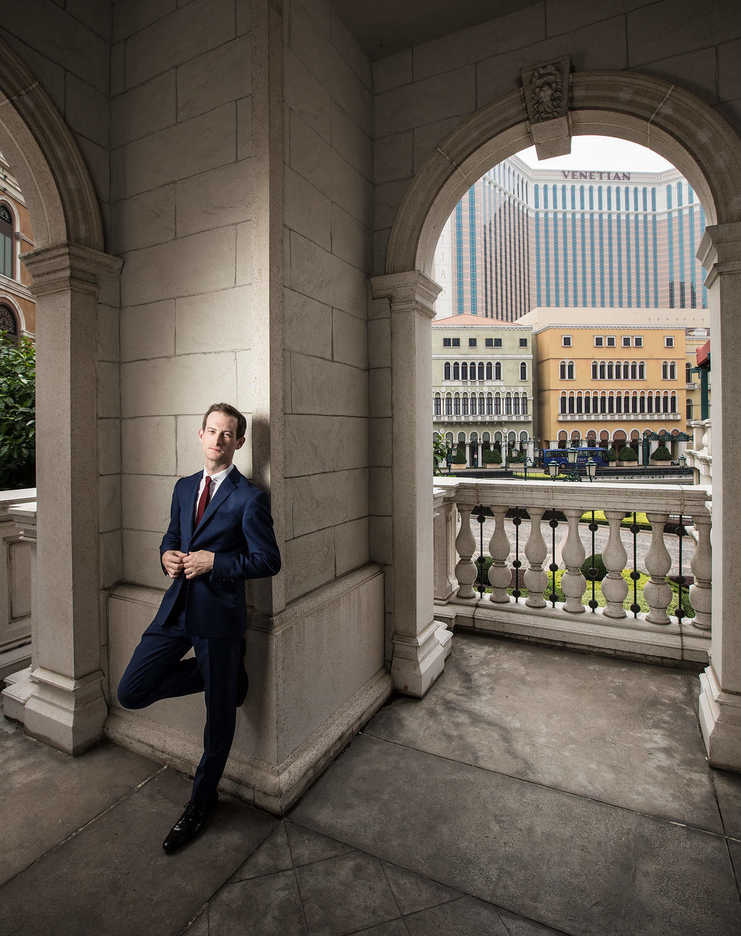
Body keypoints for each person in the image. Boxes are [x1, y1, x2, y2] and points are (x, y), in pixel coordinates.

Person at [116, 403, 281, 853]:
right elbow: (173, 537)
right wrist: (166, 556)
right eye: (211, 431)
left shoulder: (250, 497)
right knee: (131, 691)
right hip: (176, 612)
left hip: (219, 620)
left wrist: (217, 563)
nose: (217, 440)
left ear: (239, 443)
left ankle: (199, 805)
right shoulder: (184, 487)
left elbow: (269, 560)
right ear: (200, 434)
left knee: (219, 719)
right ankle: (229, 681)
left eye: (227, 435)